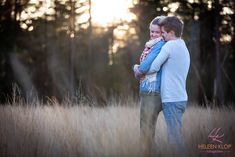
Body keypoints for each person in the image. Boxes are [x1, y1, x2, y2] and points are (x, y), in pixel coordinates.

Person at [143, 16, 190, 156]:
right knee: (176, 136)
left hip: (171, 99)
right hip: (181, 98)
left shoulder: (169, 45)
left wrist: (139, 69)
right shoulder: (182, 44)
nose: (161, 36)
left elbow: (153, 67)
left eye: (163, 32)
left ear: (171, 32)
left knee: (174, 139)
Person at [133, 16, 166, 157]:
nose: (153, 34)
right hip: (147, 89)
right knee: (147, 127)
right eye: (151, 31)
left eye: (156, 32)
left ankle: (147, 152)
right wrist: (137, 69)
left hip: (152, 91)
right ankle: (149, 152)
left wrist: (136, 69)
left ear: (163, 32)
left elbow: (146, 66)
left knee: (146, 128)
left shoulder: (159, 45)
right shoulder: (151, 44)